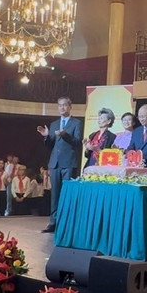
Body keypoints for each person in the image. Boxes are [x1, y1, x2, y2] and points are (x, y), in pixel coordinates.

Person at [38, 96, 83, 233]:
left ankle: (67, 223)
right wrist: (46, 136)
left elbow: (77, 142)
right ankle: (53, 222)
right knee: (55, 194)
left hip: (69, 162)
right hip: (54, 163)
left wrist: (64, 135)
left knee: (67, 193)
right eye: (59, 105)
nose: (62, 108)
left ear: (70, 107)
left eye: (64, 105)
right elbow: (50, 145)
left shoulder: (76, 123)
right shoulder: (54, 124)